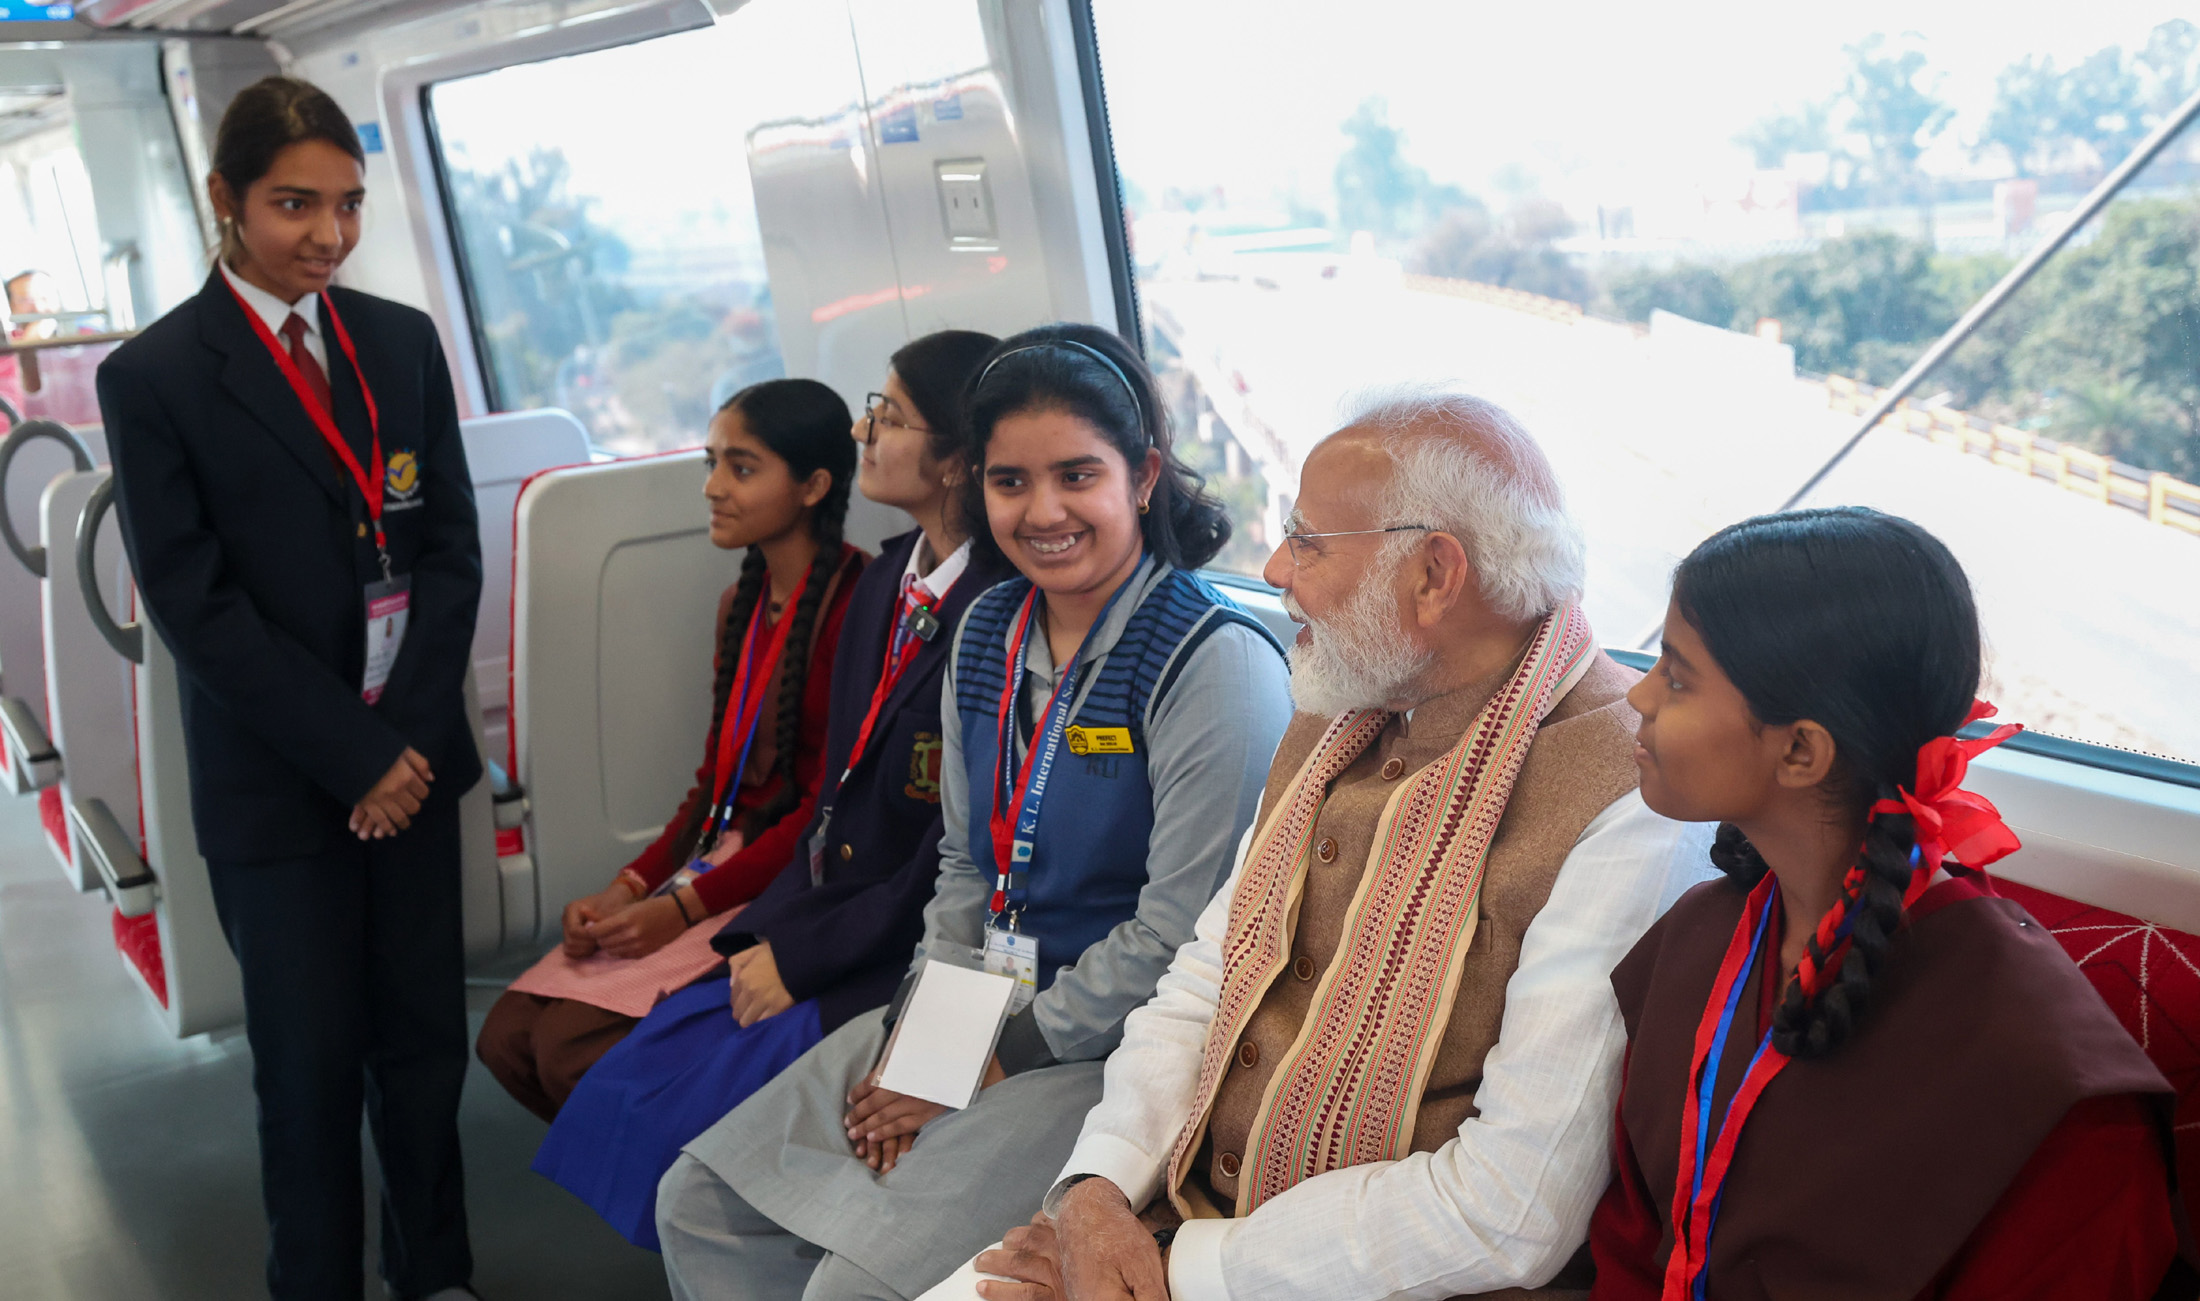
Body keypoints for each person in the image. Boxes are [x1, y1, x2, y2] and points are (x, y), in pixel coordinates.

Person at [952, 387, 1715, 1301]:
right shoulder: (1339, 708)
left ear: (1434, 574)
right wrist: (1096, 1193)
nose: (1274, 566)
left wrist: (1175, 1270)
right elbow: (1204, 982)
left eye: (1308, 540)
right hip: (1178, 1225)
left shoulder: (1631, 793)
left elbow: (1511, 1210)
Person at [654, 322, 1295, 1300]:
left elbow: (1174, 936)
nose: (1043, 511)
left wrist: (985, 1058)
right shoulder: (989, 627)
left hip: (1108, 1047)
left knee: (848, 1287)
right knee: (697, 1201)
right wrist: (931, 1032)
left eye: (1077, 475)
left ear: (1142, 476)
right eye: (1010, 481)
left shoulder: (1213, 662)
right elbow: (964, 865)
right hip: (976, 1011)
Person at [95, 77, 482, 1300]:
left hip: (411, 763)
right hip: (280, 780)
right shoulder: (156, 375)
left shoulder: (399, 342)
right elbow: (193, 601)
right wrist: (353, 754)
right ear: (226, 198)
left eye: (348, 203)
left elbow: (449, 551)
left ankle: (438, 1273)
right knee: (307, 1070)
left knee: (423, 1047)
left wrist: (402, 743)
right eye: (294, 204)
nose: (328, 233)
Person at [1586, 507, 2178, 1299]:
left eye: (1678, 674)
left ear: (1801, 749)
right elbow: (1634, 1249)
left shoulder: (2055, 1098)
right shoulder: (1698, 938)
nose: (1640, 694)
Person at [533, 329, 1010, 1247]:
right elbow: (829, 804)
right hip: (821, 914)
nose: (865, 431)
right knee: (627, 1079)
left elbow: (947, 860)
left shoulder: (995, 607)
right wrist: (763, 935)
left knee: (682, 1134)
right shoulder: (888, 582)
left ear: (956, 458)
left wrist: (798, 956)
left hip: (892, 945)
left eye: (890, 416)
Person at [478, 378, 865, 1121]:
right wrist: (628, 887)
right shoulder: (741, 606)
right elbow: (713, 787)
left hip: (791, 870)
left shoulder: (859, 606)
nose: (714, 487)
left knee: (566, 1049)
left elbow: (821, 811)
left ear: (814, 486)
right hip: (722, 859)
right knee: (506, 1036)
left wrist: (683, 907)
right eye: (713, 464)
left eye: (741, 468)